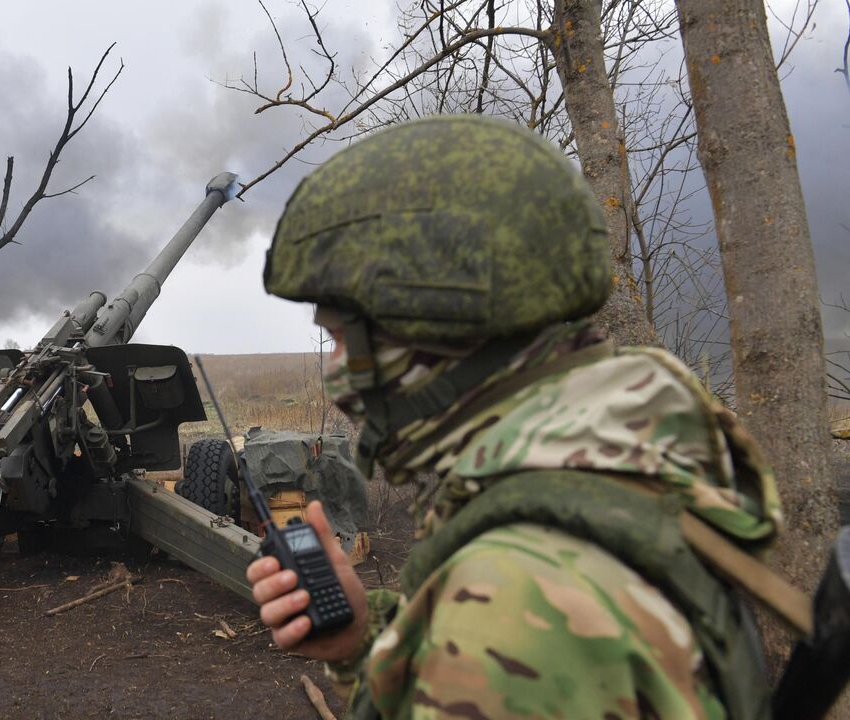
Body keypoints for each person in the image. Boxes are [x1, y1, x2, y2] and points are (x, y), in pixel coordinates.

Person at [248, 115, 783, 719]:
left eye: (345, 338)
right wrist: (358, 642)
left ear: (433, 324)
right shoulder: (627, 455)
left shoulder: (516, 603)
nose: (338, 374)